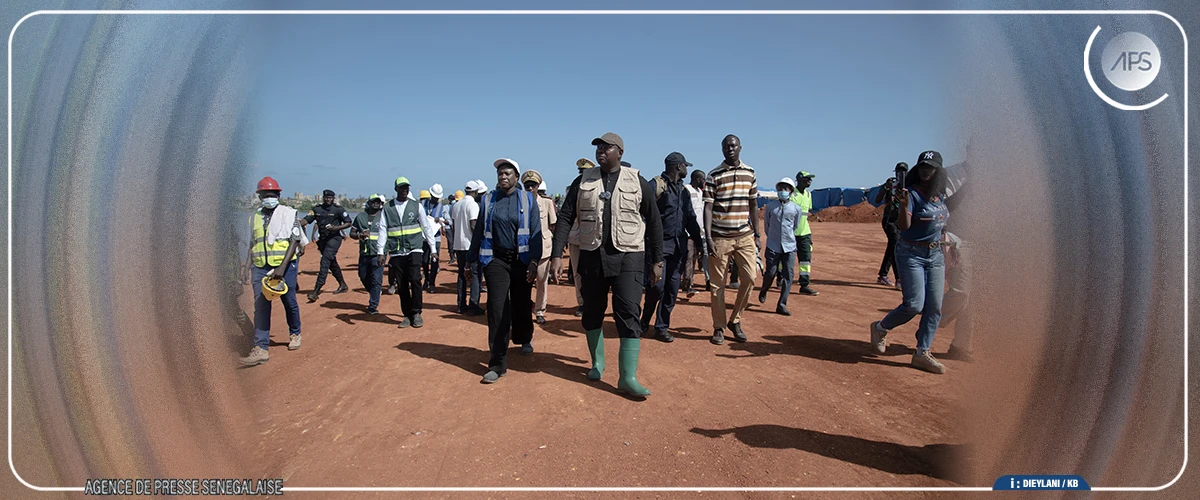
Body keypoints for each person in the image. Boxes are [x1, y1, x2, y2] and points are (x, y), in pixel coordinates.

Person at [551, 132, 663, 398]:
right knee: (592, 313)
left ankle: (628, 378)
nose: (600, 151)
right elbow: (566, 217)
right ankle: (597, 363)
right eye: (598, 147)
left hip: (629, 257)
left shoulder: (638, 181)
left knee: (628, 313)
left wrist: (657, 260)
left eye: (606, 147)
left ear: (620, 152)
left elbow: (654, 221)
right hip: (592, 256)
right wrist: (557, 254)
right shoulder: (582, 181)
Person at [869, 150, 951, 374]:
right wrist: (903, 206)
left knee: (934, 307)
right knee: (914, 305)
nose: (926, 171)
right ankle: (880, 327)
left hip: (935, 255)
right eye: (923, 166)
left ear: (938, 171)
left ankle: (922, 352)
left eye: (931, 168)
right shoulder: (911, 194)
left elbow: (942, 222)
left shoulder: (940, 194)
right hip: (911, 253)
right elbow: (904, 226)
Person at [467, 159, 542, 384]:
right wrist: (470, 261)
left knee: (520, 304)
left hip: (521, 260)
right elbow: (479, 231)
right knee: (497, 309)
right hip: (496, 260)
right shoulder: (488, 200)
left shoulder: (528, 200)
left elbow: (536, 231)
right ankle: (497, 363)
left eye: (507, 173)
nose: (503, 177)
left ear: (516, 177)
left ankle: (524, 337)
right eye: (500, 173)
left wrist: (534, 262)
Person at [240, 176, 306, 366]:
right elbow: (252, 244)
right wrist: (246, 267)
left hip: (285, 266)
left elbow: (294, 241)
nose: (269, 197)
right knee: (260, 306)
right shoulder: (254, 218)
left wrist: (282, 268)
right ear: (260, 196)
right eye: (265, 194)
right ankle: (261, 348)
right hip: (260, 266)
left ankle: (295, 333)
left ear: (278, 195)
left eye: (272, 194)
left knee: (289, 300)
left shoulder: (289, 214)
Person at [639, 152, 703, 342]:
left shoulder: (684, 191)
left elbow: (690, 218)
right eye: (685, 166)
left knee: (672, 289)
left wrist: (699, 242)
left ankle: (661, 327)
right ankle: (645, 320)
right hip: (658, 246)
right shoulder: (656, 186)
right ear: (678, 167)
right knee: (656, 288)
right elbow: (643, 212)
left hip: (678, 247)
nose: (686, 169)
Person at [704, 134, 761, 345]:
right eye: (726, 146)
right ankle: (719, 327)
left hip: (744, 236)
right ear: (721, 149)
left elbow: (753, 204)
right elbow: (708, 208)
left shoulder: (750, 172)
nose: (730, 149)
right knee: (717, 285)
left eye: (733, 145)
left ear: (740, 148)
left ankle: (735, 320)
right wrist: (708, 237)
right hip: (720, 238)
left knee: (750, 278)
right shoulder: (714, 175)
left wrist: (757, 234)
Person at [384, 177, 438, 328]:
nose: (405, 190)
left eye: (406, 188)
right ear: (396, 190)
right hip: (396, 251)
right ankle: (407, 314)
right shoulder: (388, 208)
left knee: (415, 279)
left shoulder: (416, 206)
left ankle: (417, 312)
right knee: (401, 284)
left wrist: (433, 249)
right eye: (401, 188)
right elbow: (383, 229)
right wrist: (381, 252)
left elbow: (426, 227)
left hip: (414, 248)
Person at [758, 178, 803, 315]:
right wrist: (772, 237)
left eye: (786, 189)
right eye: (781, 188)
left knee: (788, 276)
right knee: (770, 273)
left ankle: (781, 304)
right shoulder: (771, 207)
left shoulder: (796, 209)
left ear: (790, 191)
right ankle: (764, 289)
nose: (783, 191)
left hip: (789, 247)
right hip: (773, 245)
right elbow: (767, 226)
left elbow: (795, 226)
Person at [300, 189, 352, 302]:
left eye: (330, 198)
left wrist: (336, 228)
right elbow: (306, 221)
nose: (328, 199)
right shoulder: (317, 209)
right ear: (323, 198)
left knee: (324, 262)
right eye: (326, 197)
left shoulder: (338, 210)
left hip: (334, 239)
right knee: (332, 263)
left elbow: (348, 222)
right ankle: (343, 285)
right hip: (323, 240)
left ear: (333, 198)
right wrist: (295, 222)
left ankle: (316, 291)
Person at [521, 171, 557, 325]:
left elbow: (553, 225)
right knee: (524, 281)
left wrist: (557, 250)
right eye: (527, 185)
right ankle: (524, 308)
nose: (530, 188)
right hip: (524, 250)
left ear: (537, 186)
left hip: (543, 249)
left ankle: (540, 310)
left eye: (533, 185)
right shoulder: (519, 203)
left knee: (541, 281)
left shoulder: (547, 203)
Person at [565, 157, 596, 316]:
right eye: (581, 172)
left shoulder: (599, 188)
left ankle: (593, 302)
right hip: (576, 237)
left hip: (593, 237)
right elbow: (566, 216)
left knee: (594, 273)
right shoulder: (573, 188)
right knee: (578, 273)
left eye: (586, 172)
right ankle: (582, 303)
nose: (583, 175)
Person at [349, 194, 388, 314]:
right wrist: (359, 235)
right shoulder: (360, 217)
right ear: (369, 203)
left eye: (378, 202)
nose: (376, 204)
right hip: (365, 252)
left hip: (379, 253)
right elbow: (352, 233)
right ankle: (374, 292)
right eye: (374, 202)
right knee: (363, 275)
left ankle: (373, 305)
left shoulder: (384, 216)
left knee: (377, 279)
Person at [452, 181, 485, 315]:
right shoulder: (473, 205)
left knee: (461, 274)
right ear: (476, 192)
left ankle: (461, 305)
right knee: (475, 274)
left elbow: (454, 225)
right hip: (470, 245)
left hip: (458, 245)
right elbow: (473, 226)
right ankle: (473, 305)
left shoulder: (457, 205)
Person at [874, 163, 907, 288]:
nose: (900, 174)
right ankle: (899, 279)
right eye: (898, 171)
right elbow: (877, 200)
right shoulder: (890, 184)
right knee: (895, 245)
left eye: (903, 171)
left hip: (902, 221)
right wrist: (886, 188)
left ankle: (883, 275)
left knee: (892, 247)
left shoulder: (909, 185)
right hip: (889, 221)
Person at [788, 171, 819, 296]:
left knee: (805, 259)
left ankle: (804, 284)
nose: (809, 181)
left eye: (810, 179)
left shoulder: (808, 195)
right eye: (807, 179)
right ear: (799, 180)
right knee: (785, 258)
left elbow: (806, 214)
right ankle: (780, 277)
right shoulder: (791, 194)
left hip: (805, 232)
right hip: (790, 232)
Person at [682, 169, 710, 297]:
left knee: (697, 258)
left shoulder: (701, 193)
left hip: (701, 232)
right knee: (689, 258)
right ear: (698, 179)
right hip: (688, 232)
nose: (704, 182)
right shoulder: (686, 190)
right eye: (703, 179)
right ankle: (687, 285)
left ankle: (690, 282)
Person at [423, 184, 452, 293]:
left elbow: (449, 221)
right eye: (434, 196)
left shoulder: (442, 207)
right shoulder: (423, 205)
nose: (435, 199)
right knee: (424, 261)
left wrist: (440, 220)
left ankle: (432, 283)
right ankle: (426, 279)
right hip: (424, 238)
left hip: (436, 239)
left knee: (434, 260)